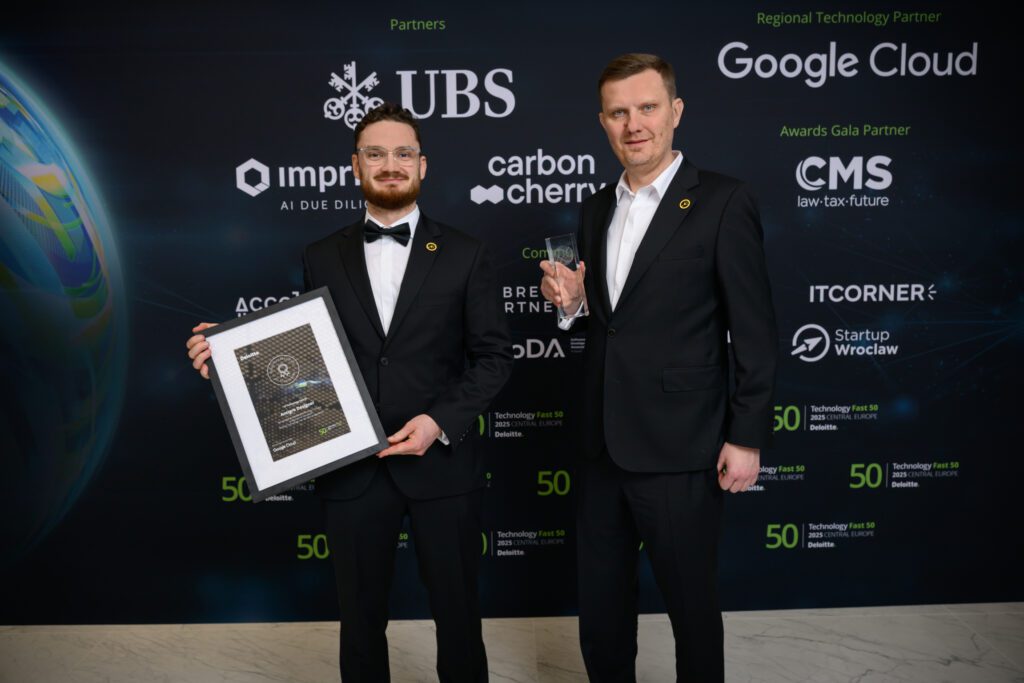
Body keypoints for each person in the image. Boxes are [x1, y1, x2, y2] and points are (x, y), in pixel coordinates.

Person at [187, 102, 513, 682]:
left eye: (403, 153)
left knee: (458, 619)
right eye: (376, 154)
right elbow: (306, 359)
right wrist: (229, 356)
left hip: (442, 469)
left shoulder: (468, 253)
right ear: (354, 167)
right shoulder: (320, 254)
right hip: (349, 469)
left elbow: (493, 360)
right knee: (360, 623)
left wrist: (436, 423)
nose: (391, 165)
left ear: (423, 165)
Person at [539, 53, 778, 681]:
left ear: (675, 112)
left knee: (691, 610)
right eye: (619, 112)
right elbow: (614, 321)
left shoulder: (724, 201)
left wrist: (747, 435)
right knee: (602, 611)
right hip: (600, 448)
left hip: (683, 446)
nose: (633, 123)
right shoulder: (596, 208)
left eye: (647, 108)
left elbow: (753, 330)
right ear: (603, 123)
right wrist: (572, 305)